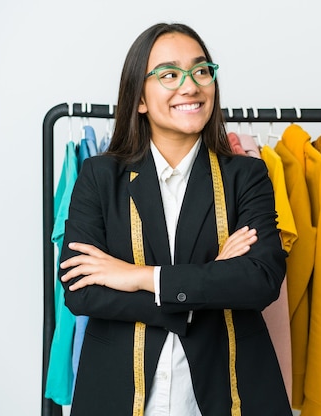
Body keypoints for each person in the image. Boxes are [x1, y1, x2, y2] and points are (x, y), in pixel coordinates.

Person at [59, 22, 291, 415]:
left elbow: (260, 280)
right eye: (169, 75)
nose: (190, 86)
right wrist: (207, 284)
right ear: (140, 99)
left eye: (201, 71)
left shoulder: (246, 175)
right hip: (117, 395)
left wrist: (137, 277)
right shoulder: (99, 177)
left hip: (230, 392)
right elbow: (82, 290)